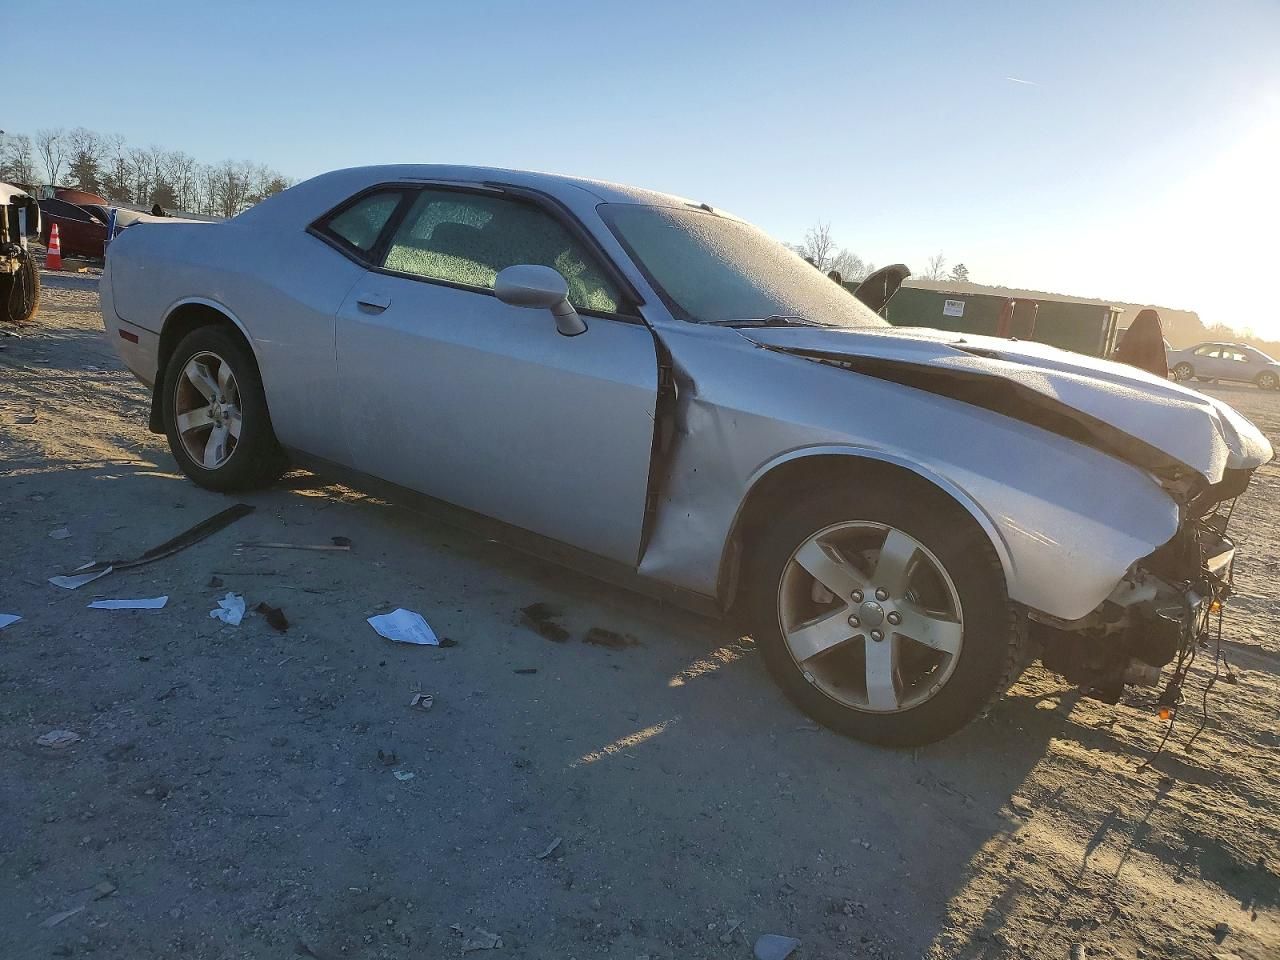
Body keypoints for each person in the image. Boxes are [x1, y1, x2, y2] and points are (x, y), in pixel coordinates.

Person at [1114, 308, 1168, 378]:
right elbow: (1161, 367)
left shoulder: (1130, 337)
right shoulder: (1157, 342)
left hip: (1128, 377)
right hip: (1147, 381)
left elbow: (1121, 359)